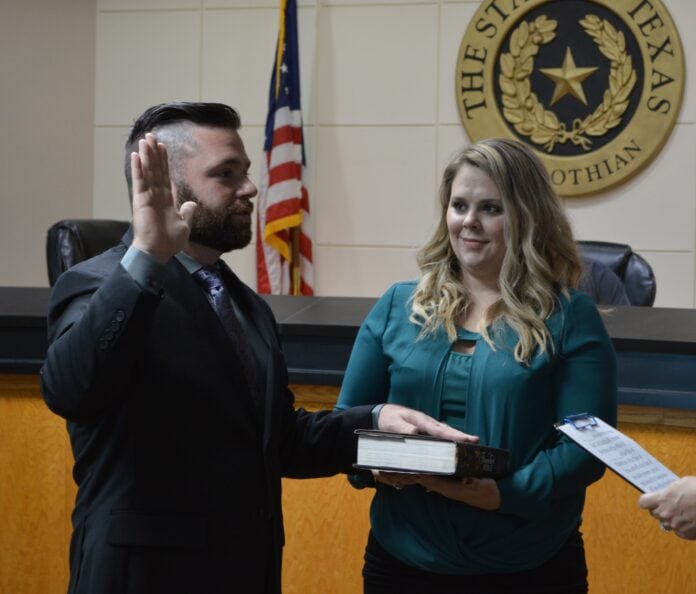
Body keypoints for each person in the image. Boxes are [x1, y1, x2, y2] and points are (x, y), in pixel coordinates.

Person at [40, 102, 469, 594]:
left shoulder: (242, 303)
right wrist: (147, 258)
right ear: (169, 187)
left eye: (245, 172)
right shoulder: (96, 283)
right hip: (143, 576)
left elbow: (280, 441)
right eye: (226, 174)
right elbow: (69, 389)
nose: (250, 188)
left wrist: (374, 422)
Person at [335, 138, 618, 594]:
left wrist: (504, 494)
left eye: (491, 208)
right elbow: (345, 422)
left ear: (527, 216)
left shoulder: (569, 317)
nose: (470, 221)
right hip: (403, 561)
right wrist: (370, 466)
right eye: (459, 205)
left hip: (528, 565)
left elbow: (587, 446)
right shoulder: (397, 305)